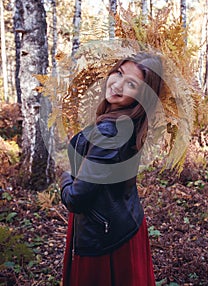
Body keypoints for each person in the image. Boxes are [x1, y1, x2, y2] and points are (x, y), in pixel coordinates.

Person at [60, 51, 162, 286]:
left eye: (131, 84)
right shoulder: (130, 121)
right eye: (118, 73)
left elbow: (76, 198)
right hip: (124, 223)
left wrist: (66, 174)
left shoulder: (111, 130)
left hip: (104, 238)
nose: (117, 85)